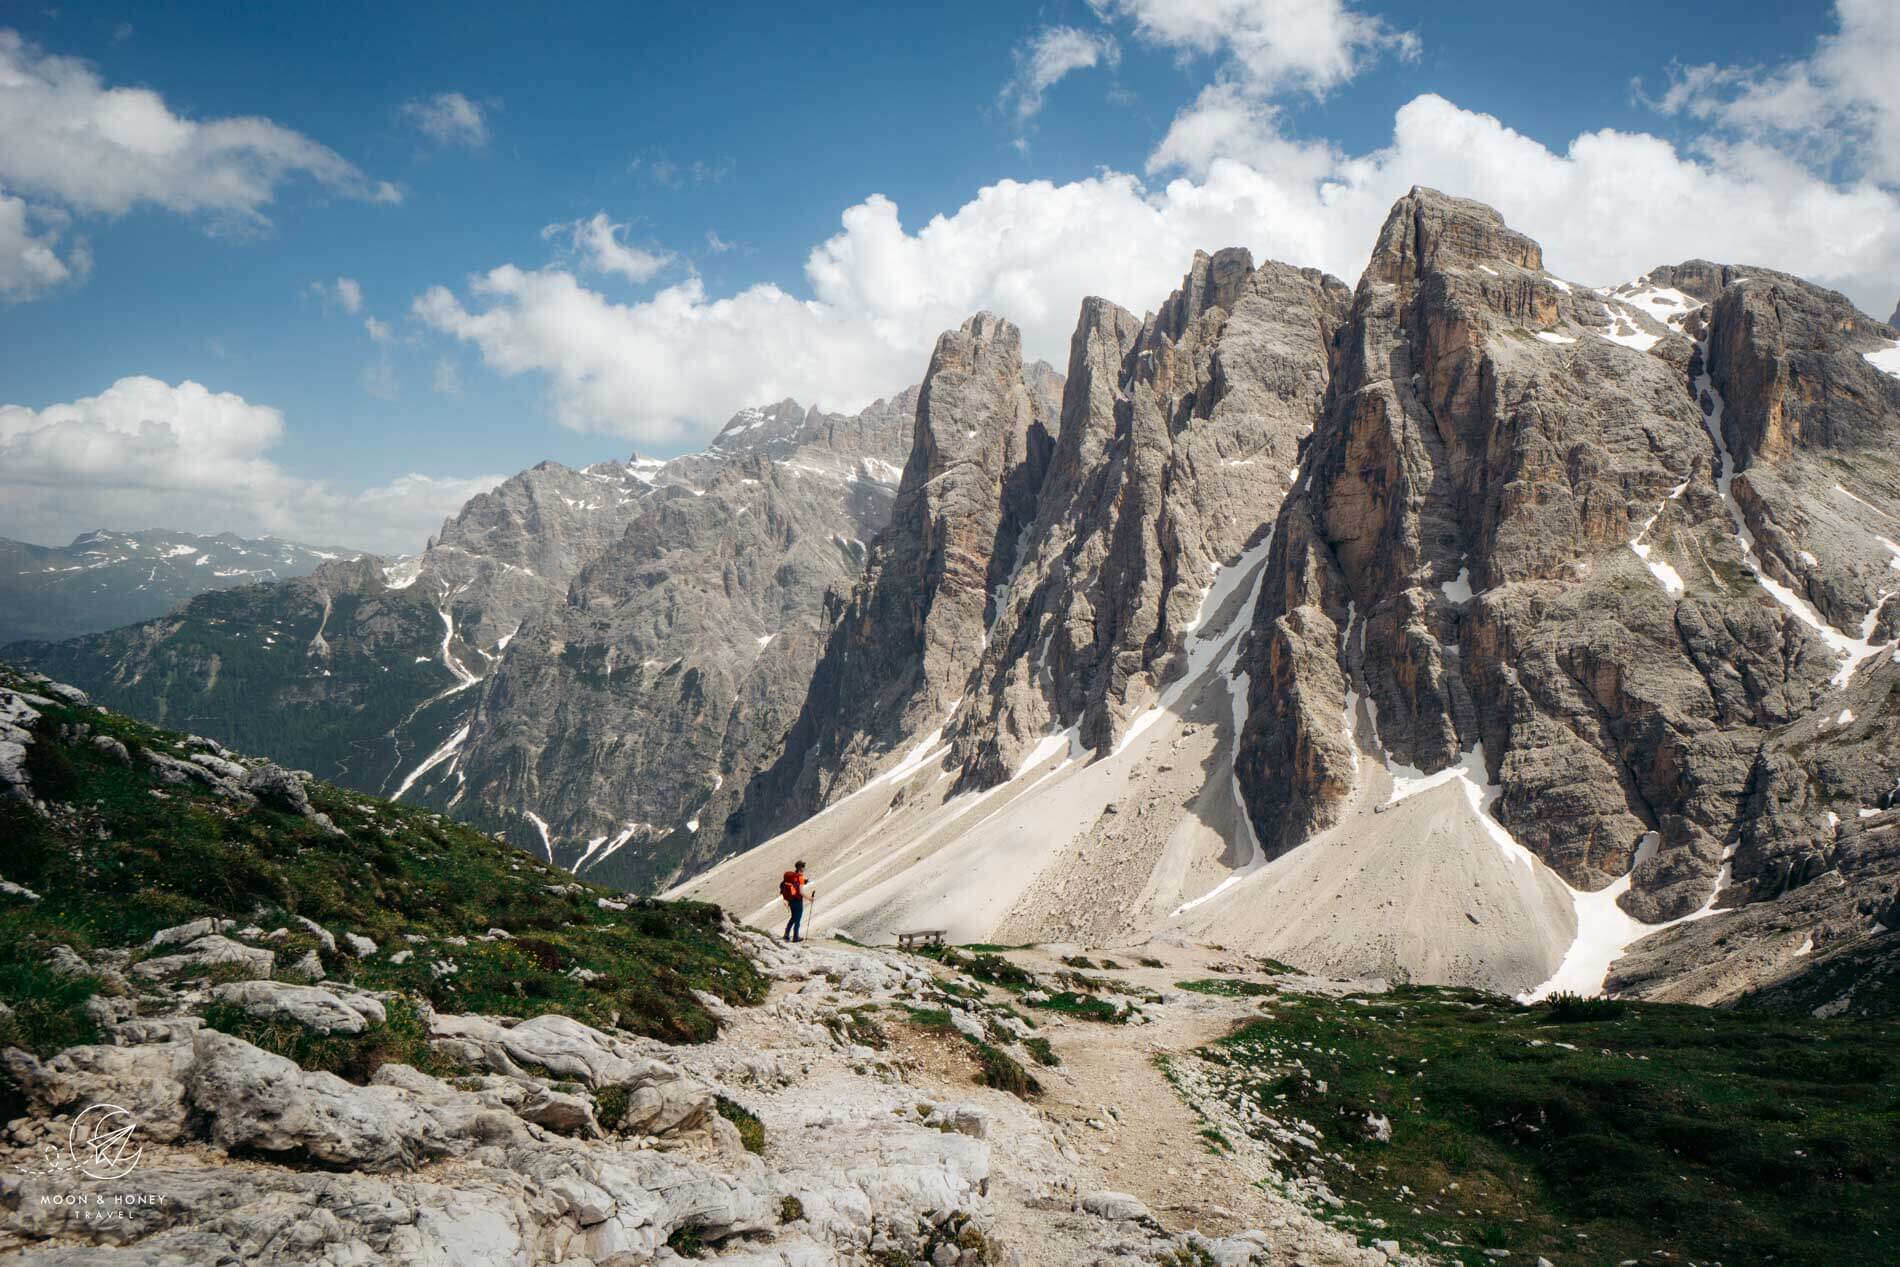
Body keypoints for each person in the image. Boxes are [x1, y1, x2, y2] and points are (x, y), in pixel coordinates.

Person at [780, 861, 812, 942]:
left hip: (791, 900)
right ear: (801, 868)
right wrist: (810, 898)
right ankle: (795, 936)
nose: (805, 868)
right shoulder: (800, 877)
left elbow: (795, 885)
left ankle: (786, 934)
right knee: (797, 918)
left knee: (793, 917)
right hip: (797, 900)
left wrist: (804, 881)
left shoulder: (793, 876)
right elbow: (801, 892)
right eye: (804, 867)